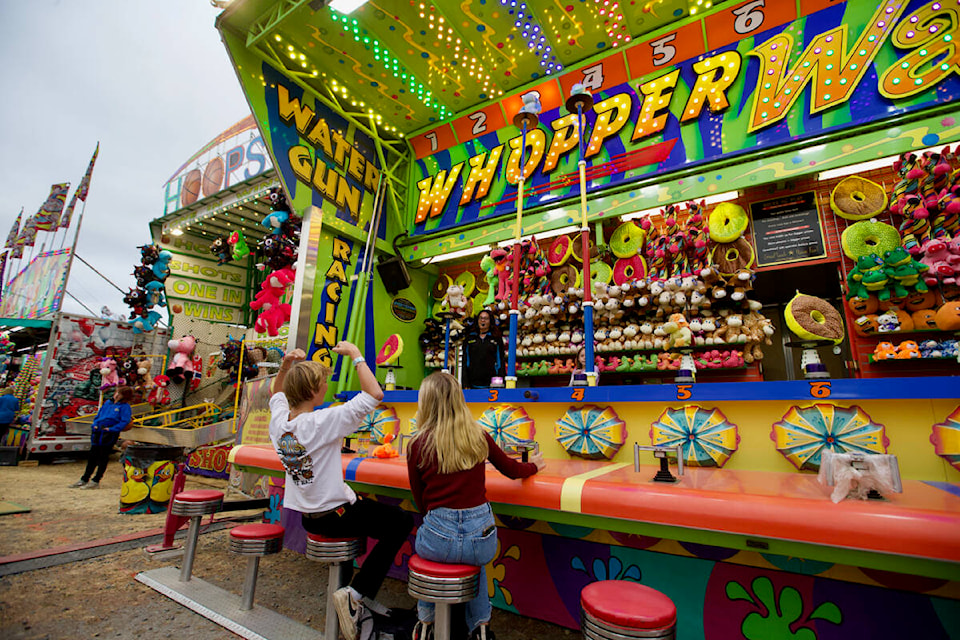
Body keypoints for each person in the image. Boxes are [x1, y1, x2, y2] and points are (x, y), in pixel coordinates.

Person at [269, 342, 413, 640]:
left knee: (362, 508)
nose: (326, 387)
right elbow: (375, 393)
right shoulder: (322, 421)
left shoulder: (279, 422)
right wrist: (356, 355)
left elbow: (275, 394)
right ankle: (357, 595)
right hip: (336, 515)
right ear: (313, 391)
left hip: (309, 516)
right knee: (401, 522)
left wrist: (286, 365)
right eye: (323, 384)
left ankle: (352, 603)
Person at [406, 372, 545, 640]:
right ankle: (481, 629)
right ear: (459, 400)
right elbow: (513, 470)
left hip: (438, 540)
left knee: (428, 551)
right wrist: (534, 465)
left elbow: (420, 501)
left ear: (426, 403)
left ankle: (425, 623)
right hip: (481, 539)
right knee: (475, 559)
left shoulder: (417, 444)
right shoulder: (478, 435)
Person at [69, 386, 134, 489]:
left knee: (103, 456)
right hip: (98, 430)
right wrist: (95, 424)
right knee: (92, 455)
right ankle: (84, 479)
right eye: (116, 392)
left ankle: (96, 480)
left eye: (119, 393)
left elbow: (125, 421)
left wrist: (112, 429)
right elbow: (99, 415)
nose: (116, 395)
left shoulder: (124, 407)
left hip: (109, 433)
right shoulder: (108, 403)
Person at [462, 309, 505, 389]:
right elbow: (465, 361)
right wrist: (465, 383)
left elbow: (500, 361)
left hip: (492, 384)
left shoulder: (496, 339)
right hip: (472, 383)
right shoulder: (469, 338)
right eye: (481, 318)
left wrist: (501, 381)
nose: (483, 320)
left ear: (490, 321)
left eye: (486, 318)